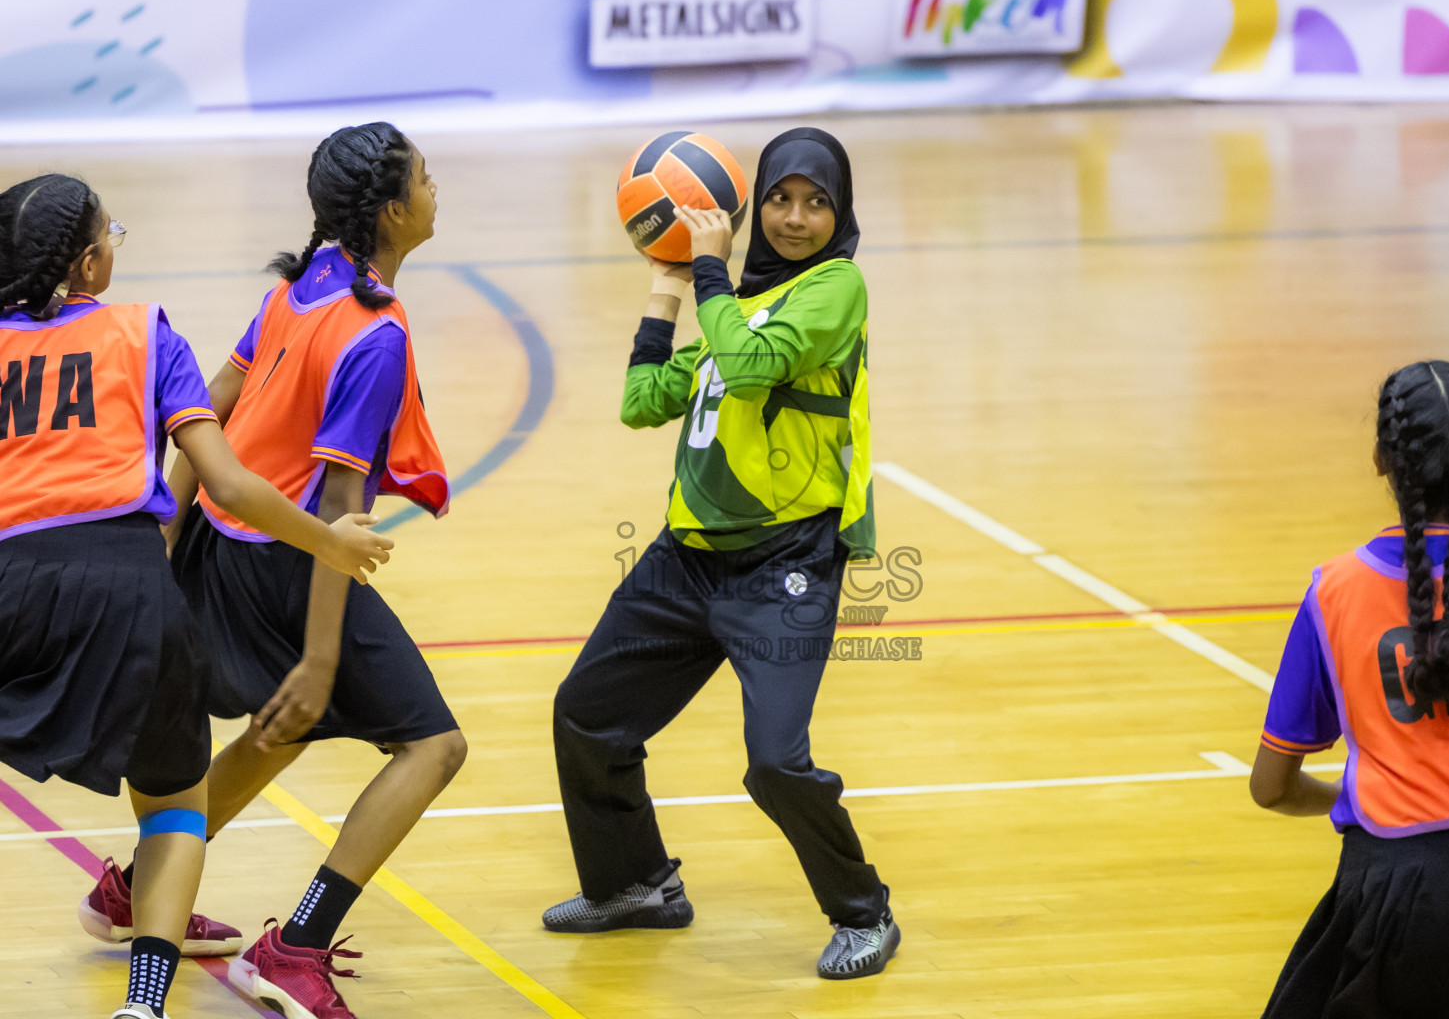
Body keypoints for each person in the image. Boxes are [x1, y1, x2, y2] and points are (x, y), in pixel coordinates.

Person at [77, 123, 463, 1019]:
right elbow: (338, 515)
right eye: (426, 178)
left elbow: (208, 398)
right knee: (433, 745)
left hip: (218, 537)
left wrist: (170, 527)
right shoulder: (377, 334)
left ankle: (138, 890)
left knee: (283, 726)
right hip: (286, 564)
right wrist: (321, 655)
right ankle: (296, 948)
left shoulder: (306, 280)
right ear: (395, 212)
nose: (437, 189)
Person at [0, 173, 392, 1019]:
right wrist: (331, 539)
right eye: (114, 234)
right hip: (124, 587)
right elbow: (228, 483)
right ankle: (144, 1005)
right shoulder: (143, 333)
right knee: (175, 801)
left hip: (7, 583)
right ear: (90, 262)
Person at [543, 127, 898, 980]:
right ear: (756, 205)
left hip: (784, 568)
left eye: (817, 202)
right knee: (586, 714)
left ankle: (865, 912)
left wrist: (707, 274)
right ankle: (636, 886)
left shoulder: (835, 290)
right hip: (684, 562)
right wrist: (666, 290)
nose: (796, 217)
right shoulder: (737, 307)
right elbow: (640, 401)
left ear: (841, 212)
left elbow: (745, 370)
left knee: (776, 763)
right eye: (780, 199)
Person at [1251, 360, 1449, 1016]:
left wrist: (1350, 794)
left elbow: (1271, 788)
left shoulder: (1333, 591)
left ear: (1382, 459)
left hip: (1385, 892)